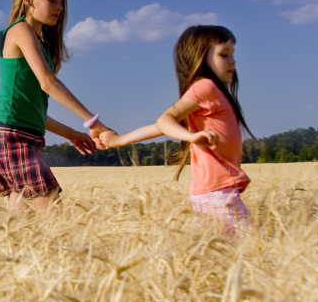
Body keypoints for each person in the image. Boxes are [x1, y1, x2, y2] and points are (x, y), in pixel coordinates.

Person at [100, 25, 255, 235]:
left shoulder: (214, 91)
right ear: (200, 57)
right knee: (250, 245)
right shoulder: (205, 87)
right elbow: (166, 120)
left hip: (213, 191)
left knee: (219, 253)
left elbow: (160, 127)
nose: (232, 61)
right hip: (217, 192)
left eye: (233, 54)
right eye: (224, 55)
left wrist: (118, 140)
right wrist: (191, 136)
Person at [0, 0, 111, 211]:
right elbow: (47, 82)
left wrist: (72, 134)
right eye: (52, 0)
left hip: (20, 134)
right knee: (52, 212)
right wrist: (91, 121)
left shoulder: (36, 40)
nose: (60, 8)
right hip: (12, 136)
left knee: (24, 225)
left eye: (62, 2)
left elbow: (35, 113)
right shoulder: (20, 30)